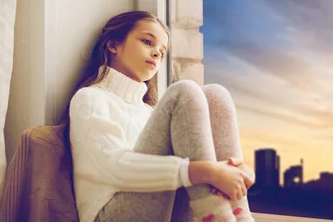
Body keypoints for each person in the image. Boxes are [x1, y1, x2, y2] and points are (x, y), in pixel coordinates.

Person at [67, 11, 255, 222]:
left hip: (163, 212)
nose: (157, 53)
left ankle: (241, 215)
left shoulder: (149, 112)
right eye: (148, 41)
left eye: (162, 52)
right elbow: (114, 169)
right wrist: (205, 171)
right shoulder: (90, 98)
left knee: (215, 94)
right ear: (113, 46)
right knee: (184, 91)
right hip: (111, 214)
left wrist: (237, 172)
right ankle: (218, 216)